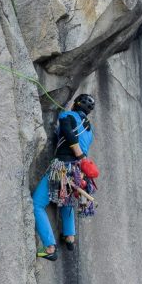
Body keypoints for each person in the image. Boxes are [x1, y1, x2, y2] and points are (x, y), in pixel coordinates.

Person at [33, 93, 97, 261]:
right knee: (65, 200)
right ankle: (69, 236)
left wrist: (80, 156)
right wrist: (82, 160)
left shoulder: (66, 116)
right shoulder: (90, 129)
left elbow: (69, 135)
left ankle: (49, 247)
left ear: (75, 104)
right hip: (76, 171)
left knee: (37, 204)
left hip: (62, 167)